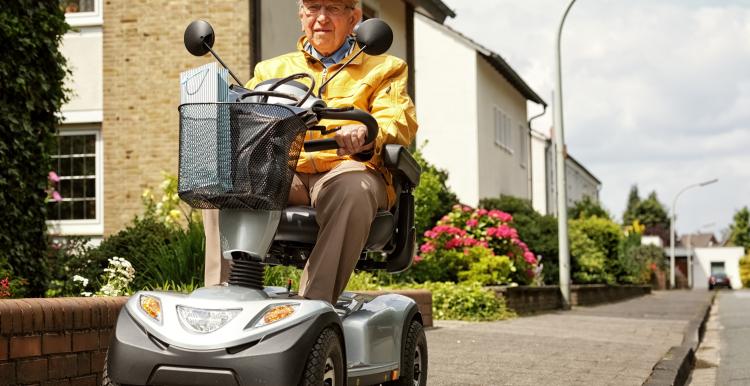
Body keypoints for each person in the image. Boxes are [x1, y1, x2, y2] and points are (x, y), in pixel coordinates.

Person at [204, 0, 418, 304]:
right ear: (301, 15)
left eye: (333, 8)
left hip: (347, 167)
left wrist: (368, 133)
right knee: (222, 181)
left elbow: (397, 118)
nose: (321, 18)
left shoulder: (385, 68)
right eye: (313, 7)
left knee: (352, 189)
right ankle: (220, 298)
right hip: (286, 170)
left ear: (354, 17)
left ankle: (315, 306)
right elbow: (247, 118)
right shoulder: (271, 69)